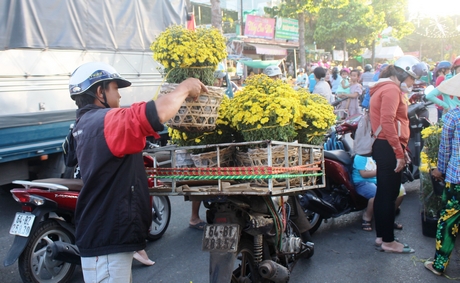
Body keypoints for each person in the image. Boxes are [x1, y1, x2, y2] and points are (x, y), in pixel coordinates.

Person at [69, 62, 207, 282]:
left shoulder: (87, 122)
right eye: (115, 88)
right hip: (106, 242)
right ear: (99, 91)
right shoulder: (105, 121)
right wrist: (184, 88)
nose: (119, 96)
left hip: (107, 236)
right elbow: (156, 113)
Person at [369, 55, 427, 253]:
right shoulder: (392, 90)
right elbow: (388, 121)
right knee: (389, 194)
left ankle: (381, 237)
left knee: (384, 193)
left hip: (384, 145)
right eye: (411, 77)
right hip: (388, 146)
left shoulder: (384, 88)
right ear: (402, 74)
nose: (412, 82)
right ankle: (388, 241)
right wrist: (398, 152)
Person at [424, 74, 460, 276]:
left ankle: (439, 265)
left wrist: (440, 170)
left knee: (449, 220)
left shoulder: (454, 116)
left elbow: (445, 149)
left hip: (457, 179)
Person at [352, 154, 405, 232]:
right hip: (362, 182)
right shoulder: (360, 156)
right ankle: (367, 216)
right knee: (377, 194)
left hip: (378, 179)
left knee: (400, 190)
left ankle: (388, 217)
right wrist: (382, 170)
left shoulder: (377, 154)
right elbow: (364, 174)